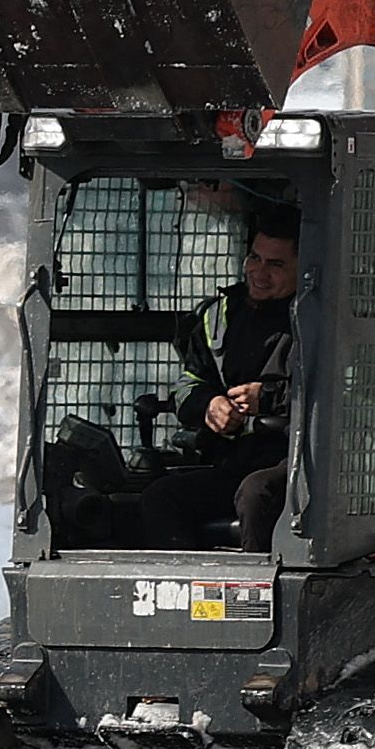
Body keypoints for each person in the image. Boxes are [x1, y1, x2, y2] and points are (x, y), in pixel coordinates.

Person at [126, 197, 298, 549]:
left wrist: (267, 399)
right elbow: (188, 383)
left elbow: (344, 392)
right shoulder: (221, 315)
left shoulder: (321, 320)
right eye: (254, 258)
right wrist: (209, 405)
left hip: (302, 465)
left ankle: (254, 598)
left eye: (276, 264)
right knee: (161, 497)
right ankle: (181, 593)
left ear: (304, 266)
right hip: (233, 461)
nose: (259, 272)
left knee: (257, 494)